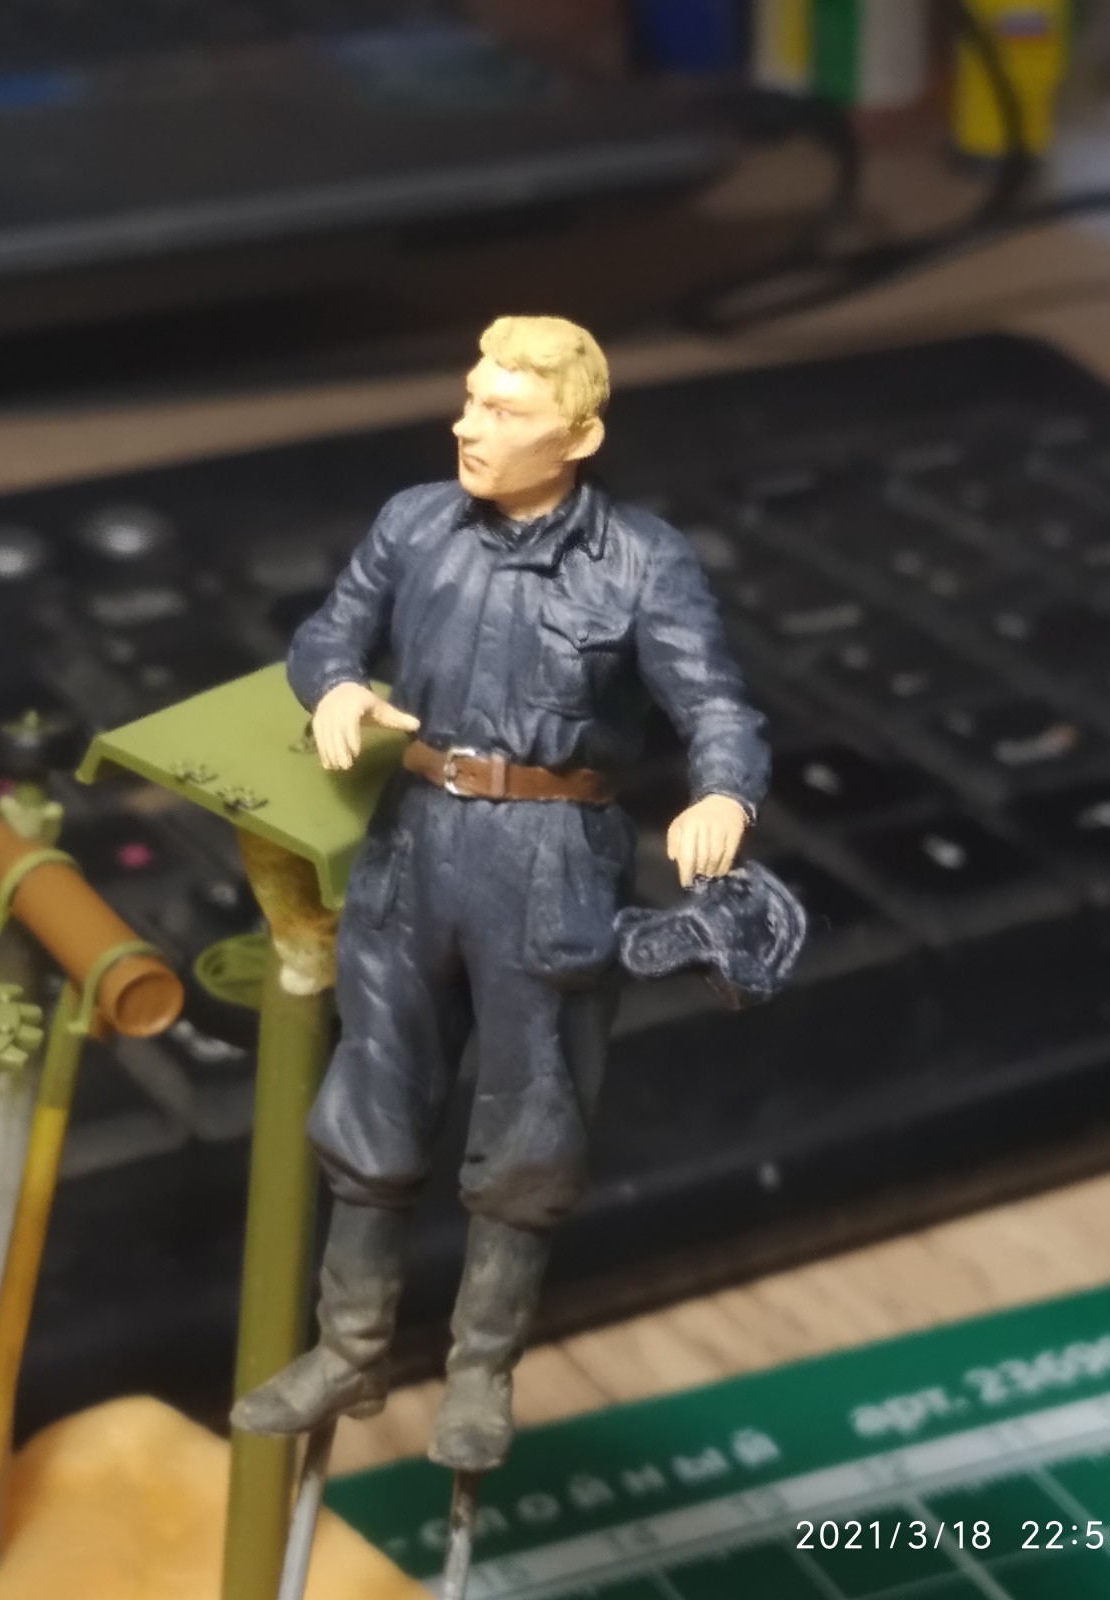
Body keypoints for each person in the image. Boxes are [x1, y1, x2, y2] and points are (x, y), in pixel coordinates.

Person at [231, 315, 770, 1472]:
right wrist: (335, 687)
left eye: (506, 410)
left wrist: (724, 792)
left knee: (533, 1119)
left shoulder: (643, 560)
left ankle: (480, 1371)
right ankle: (349, 1345)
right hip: (414, 838)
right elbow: (328, 633)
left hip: (550, 855)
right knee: (374, 1095)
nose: (469, 425)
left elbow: (715, 701)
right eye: (473, 398)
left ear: (577, 436)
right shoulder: (415, 521)